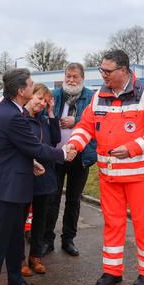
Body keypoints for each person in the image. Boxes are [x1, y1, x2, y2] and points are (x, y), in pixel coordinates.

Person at [66, 49, 144, 285]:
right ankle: (112, 271)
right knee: (112, 224)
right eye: (101, 70)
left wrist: (133, 148)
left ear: (123, 70)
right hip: (109, 175)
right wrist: (74, 144)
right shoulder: (99, 95)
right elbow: (86, 125)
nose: (103, 75)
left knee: (143, 224)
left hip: (139, 176)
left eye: (107, 71)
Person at [0, 68, 74, 285]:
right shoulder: (11, 115)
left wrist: (30, 163)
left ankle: (15, 282)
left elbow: (11, 148)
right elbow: (35, 147)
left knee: (13, 240)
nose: (34, 88)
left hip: (13, 184)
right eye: (31, 84)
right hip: (4, 189)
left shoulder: (13, 110)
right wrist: (63, 153)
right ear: (21, 90)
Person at [43, 62, 97, 257]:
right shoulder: (54, 95)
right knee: (52, 199)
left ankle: (68, 239)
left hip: (80, 156)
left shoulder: (91, 97)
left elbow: (98, 121)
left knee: (74, 200)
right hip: (56, 155)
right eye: (68, 76)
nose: (71, 80)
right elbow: (41, 115)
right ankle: (47, 240)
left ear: (83, 78)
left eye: (75, 76)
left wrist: (77, 121)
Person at [20, 84, 61, 276]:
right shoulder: (20, 118)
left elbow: (55, 138)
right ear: (30, 96)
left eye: (45, 100)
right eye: (39, 98)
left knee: (40, 219)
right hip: (26, 175)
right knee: (19, 220)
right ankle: (19, 259)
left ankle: (35, 256)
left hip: (45, 176)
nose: (42, 103)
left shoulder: (44, 119)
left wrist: (51, 114)